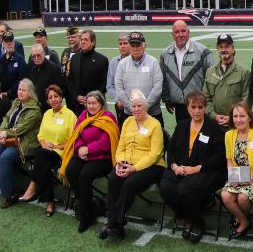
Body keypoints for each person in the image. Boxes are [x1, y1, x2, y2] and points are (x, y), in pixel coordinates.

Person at [159, 90, 226, 243]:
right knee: (165, 188)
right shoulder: (182, 125)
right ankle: (187, 217)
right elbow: (171, 149)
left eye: (200, 107)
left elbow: (219, 157)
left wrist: (195, 169)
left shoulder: (213, 128)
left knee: (184, 190)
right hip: (181, 169)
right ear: (188, 108)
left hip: (206, 171)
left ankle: (198, 223)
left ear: (205, 108)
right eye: (193, 107)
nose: (197, 111)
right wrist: (175, 166)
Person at [100, 89, 165, 241]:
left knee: (130, 183)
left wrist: (134, 168)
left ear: (145, 107)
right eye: (133, 106)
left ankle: (112, 222)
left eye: (139, 106)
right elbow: (121, 145)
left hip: (152, 167)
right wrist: (119, 162)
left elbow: (155, 154)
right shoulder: (128, 122)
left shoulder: (154, 125)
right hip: (127, 163)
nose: (135, 109)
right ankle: (118, 226)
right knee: (113, 179)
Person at [58, 91, 119, 233]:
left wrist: (88, 149)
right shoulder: (83, 116)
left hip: (103, 158)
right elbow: (75, 134)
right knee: (71, 170)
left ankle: (86, 214)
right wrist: (79, 148)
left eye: (94, 103)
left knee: (85, 175)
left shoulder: (108, 118)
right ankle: (90, 205)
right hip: (83, 154)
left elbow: (106, 142)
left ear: (102, 104)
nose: (91, 106)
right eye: (89, 103)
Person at [220, 102, 253, 240]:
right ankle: (244, 220)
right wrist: (235, 177)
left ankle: (241, 219)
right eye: (235, 116)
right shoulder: (229, 135)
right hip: (238, 174)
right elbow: (229, 161)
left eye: (242, 116)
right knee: (226, 196)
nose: (238, 120)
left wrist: (249, 177)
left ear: (250, 117)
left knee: (243, 197)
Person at [18, 84, 73, 216]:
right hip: (45, 151)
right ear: (47, 101)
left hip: (61, 152)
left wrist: (55, 147)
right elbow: (41, 135)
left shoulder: (70, 115)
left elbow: (73, 141)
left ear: (61, 98)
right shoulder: (47, 114)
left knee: (40, 157)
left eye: (56, 96)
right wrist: (44, 145)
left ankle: (34, 186)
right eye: (50, 98)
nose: (53, 99)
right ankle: (49, 201)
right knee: (42, 161)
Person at [0, 79, 42, 209]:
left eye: (23, 90)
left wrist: (5, 134)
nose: (20, 92)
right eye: (19, 89)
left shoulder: (35, 110)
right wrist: (2, 131)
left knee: (5, 157)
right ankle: (11, 187)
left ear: (30, 93)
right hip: (9, 138)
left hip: (25, 143)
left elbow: (22, 128)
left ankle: (7, 195)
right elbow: (6, 118)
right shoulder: (16, 102)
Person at [161, 20, 210, 124]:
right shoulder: (165, 54)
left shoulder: (202, 51)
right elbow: (164, 79)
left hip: (199, 105)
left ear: (188, 32)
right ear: (172, 34)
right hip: (179, 106)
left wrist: (208, 101)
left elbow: (210, 78)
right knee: (183, 135)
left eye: (183, 31)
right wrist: (166, 99)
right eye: (177, 32)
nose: (180, 35)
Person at [113, 32, 163, 130]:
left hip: (152, 113)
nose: (135, 48)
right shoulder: (122, 64)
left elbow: (157, 87)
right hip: (130, 114)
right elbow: (118, 87)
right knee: (131, 142)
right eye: (132, 45)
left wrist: (144, 107)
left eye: (138, 45)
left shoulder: (153, 62)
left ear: (145, 46)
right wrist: (132, 108)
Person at [204, 33, 250, 129]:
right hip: (214, 124)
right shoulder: (210, 71)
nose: (224, 50)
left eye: (227, 46)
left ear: (233, 49)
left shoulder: (243, 72)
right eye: (221, 47)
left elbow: (246, 100)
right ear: (218, 50)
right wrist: (214, 116)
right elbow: (206, 98)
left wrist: (232, 117)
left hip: (236, 125)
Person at [66, 29, 109, 116]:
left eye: (86, 40)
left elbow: (104, 84)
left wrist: (91, 98)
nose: (82, 42)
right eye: (81, 39)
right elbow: (70, 80)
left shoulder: (102, 60)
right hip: (78, 106)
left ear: (93, 43)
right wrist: (76, 96)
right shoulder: (74, 58)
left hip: (96, 105)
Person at [26, 43, 67, 107]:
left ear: (43, 54)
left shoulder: (53, 68)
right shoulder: (29, 66)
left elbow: (62, 88)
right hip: (34, 106)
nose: (36, 58)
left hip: (49, 107)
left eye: (38, 55)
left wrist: (52, 101)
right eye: (34, 56)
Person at [0, 31, 26, 100]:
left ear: (14, 42)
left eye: (10, 41)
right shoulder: (0, 60)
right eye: (6, 41)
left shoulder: (20, 59)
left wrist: (9, 93)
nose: (9, 43)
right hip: (1, 97)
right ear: (3, 44)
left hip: (15, 98)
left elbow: (22, 80)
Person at [107, 34, 131, 113]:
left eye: (125, 43)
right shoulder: (113, 62)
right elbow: (110, 85)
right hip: (120, 105)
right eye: (120, 44)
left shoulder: (137, 61)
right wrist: (118, 100)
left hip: (136, 103)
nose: (122, 46)